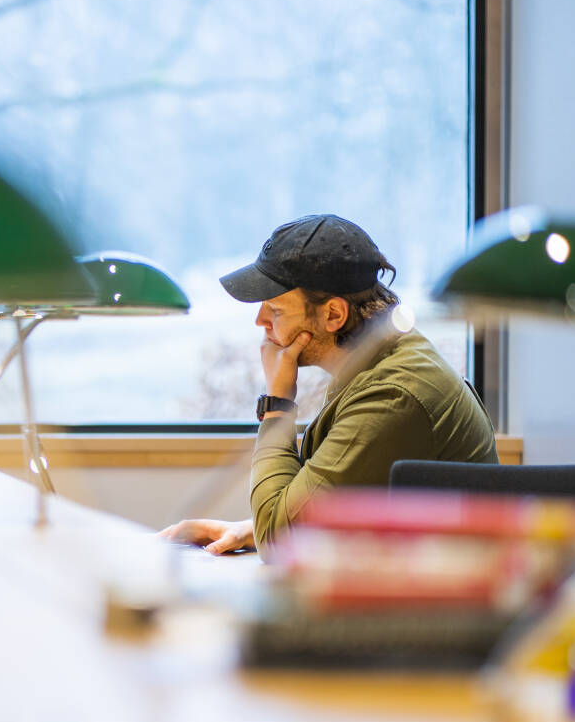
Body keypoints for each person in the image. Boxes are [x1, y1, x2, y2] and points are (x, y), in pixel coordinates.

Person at [162, 214, 497, 556]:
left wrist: (277, 404)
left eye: (275, 309)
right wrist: (254, 529)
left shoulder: (392, 394)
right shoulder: (375, 361)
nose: (259, 321)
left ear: (334, 315)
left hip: (439, 604)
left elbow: (280, 543)